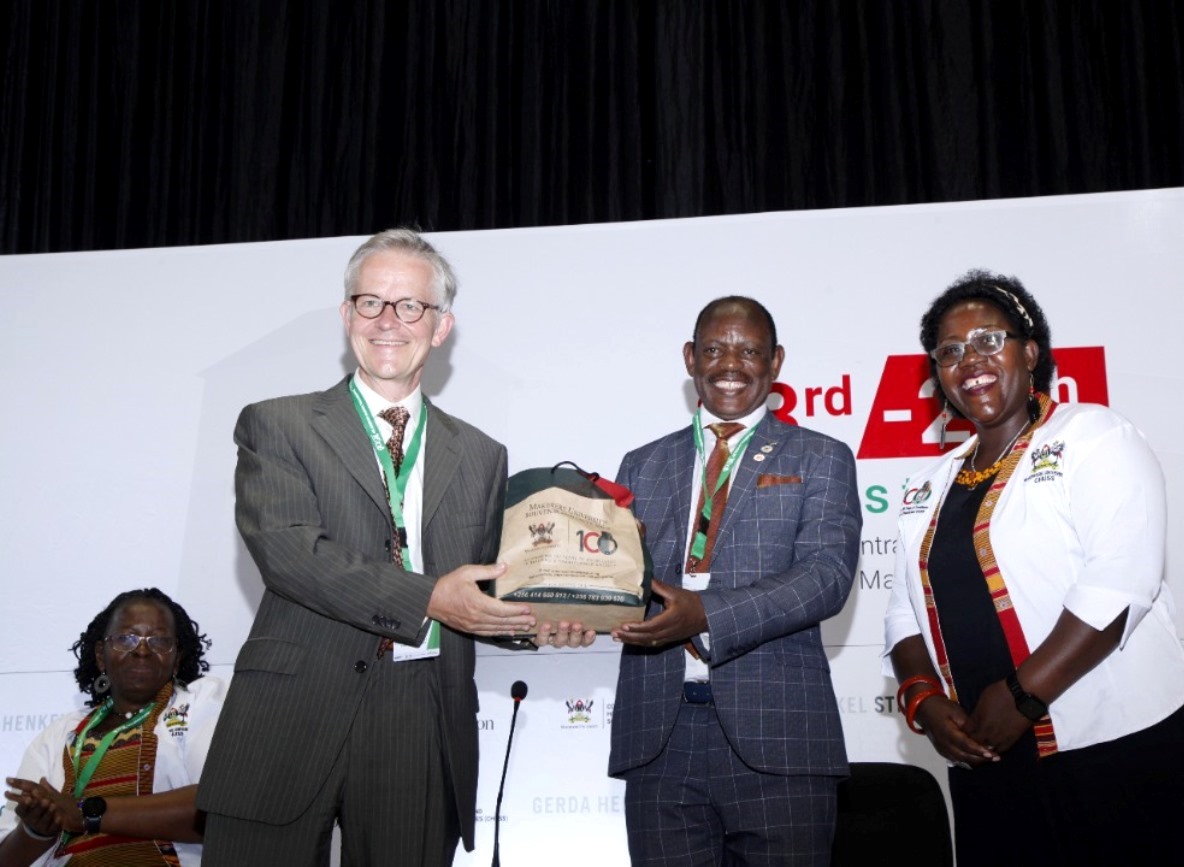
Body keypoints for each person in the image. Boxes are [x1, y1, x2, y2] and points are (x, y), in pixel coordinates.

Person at [196, 229, 592, 867]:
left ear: (441, 327)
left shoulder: (482, 454)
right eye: (371, 302)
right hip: (292, 705)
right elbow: (290, 553)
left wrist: (543, 619)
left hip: (420, 713)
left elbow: (482, 590)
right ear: (346, 314)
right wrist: (431, 596)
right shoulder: (277, 423)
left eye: (411, 306)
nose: (389, 321)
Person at [884, 270, 1184, 866]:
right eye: (950, 351)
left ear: (1030, 351)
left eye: (989, 340)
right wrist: (925, 700)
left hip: (1119, 747)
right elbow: (904, 609)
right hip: (986, 755)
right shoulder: (926, 483)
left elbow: (1120, 581)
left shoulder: (1094, 435)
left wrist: (1020, 697)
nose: (970, 361)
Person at [609, 296, 862, 866]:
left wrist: (707, 614)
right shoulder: (641, 464)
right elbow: (621, 582)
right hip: (659, 738)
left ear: (775, 363)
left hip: (780, 737)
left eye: (749, 351)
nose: (731, 364)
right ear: (689, 358)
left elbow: (826, 576)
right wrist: (568, 604)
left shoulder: (821, 456)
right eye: (715, 349)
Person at [1, 588, 222, 867]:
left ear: (176, 657)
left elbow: (217, 807)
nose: (142, 650)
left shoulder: (201, 704)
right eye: (126, 639)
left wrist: (84, 813)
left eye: (159, 640)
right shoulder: (58, 735)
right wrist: (36, 829)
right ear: (101, 655)